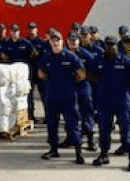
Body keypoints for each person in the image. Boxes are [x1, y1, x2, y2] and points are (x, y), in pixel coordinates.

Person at [89, 36, 130, 172]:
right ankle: (104, 154)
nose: (110, 47)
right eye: (108, 45)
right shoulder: (99, 60)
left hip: (122, 100)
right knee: (104, 129)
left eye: (112, 45)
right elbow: (92, 76)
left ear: (117, 46)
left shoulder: (126, 61)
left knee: (126, 129)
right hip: (105, 101)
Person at [38, 30, 86, 165]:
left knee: (72, 125)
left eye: (58, 40)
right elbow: (41, 72)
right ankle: (53, 149)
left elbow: (81, 74)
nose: (55, 42)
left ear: (62, 41)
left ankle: (78, 153)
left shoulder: (70, 57)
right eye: (53, 40)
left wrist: (70, 84)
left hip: (68, 98)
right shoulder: (47, 57)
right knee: (52, 124)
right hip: (52, 97)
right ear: (50, 42)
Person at [66, 31, 98, 151]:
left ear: (78, 41)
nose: (73, 43)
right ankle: (70, 138)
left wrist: (87, 76)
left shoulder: (85, 54)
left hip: (83, 88)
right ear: (67, 42)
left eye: (75, 40)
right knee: (70, 115)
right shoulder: (64, 54)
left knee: (87, 115)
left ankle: (90, 141)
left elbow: (95, 67)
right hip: (69, 89)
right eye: (71, 40)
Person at [27, 22, 49, 124]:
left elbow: (45, 58)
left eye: (33, 28)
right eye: (30, 28)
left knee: (44, 95)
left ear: (37, 29)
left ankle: (47, 116)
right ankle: (31, 116)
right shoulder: (25, 42)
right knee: (29, 96)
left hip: (39, 72)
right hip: (29, 73)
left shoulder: (41, 42)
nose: (32, 30)